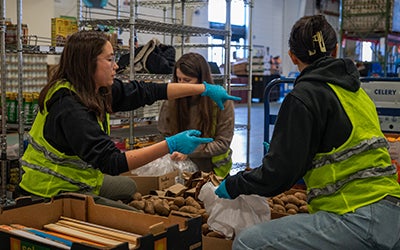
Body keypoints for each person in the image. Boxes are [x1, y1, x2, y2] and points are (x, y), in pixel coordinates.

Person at [215, 14, 400, 249]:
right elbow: (341, 156)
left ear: (292, 56)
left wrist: (234, 184)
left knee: (247, 243)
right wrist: (293, 155)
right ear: (334, 51)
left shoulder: (303, 98)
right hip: (392, 209)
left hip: (355, 215)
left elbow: (277, 177)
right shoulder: (356, 93)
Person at [18, 30, 240, 210]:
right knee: (136, 219)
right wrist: (169, 145)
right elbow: (112, 162)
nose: (116, 65)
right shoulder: (70, 106)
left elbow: (145, 91)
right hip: (54, 189)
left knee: (129, 186)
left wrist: (203, 89)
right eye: (110, 59)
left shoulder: (92, 88)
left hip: (80, 177)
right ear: (88, 64)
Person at [157, 52, 235, 178]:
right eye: (178, 79)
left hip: (213, 173)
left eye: (187, 80)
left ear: (202, 80)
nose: (181, 85)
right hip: (177, 170)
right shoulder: (170, 102)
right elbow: (163, 136)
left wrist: (189, 150)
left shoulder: (221, 103)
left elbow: (222, 144)